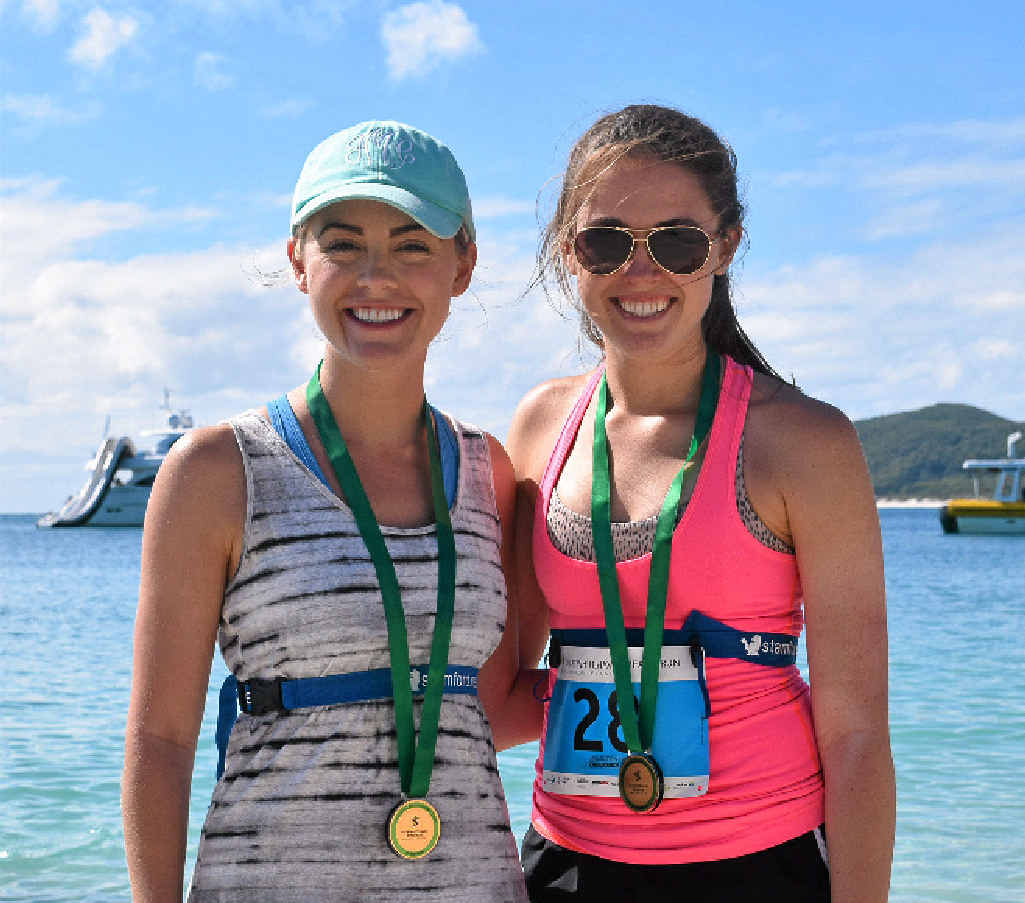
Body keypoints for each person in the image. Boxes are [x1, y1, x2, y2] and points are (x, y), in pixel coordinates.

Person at [123, 120, 537, 902]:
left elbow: (489, 705)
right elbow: (161, 738)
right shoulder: (217, 470)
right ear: (297, 261)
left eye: (412, 245)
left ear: (463, 265)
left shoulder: (489, 471)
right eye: (343, 245)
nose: (376, 277)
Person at [507, 105, 895, 902]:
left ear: (725, 246)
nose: (640, 270)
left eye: (676, 242)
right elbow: (500, 687)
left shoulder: (803, 442)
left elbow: (856, 734)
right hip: (565, 861)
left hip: (759, 863)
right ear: (568, 251)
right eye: (606, 241)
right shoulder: (540, 425)